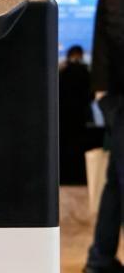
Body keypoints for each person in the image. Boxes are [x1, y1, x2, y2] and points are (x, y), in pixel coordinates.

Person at [86, 0, 124, 273]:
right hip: (121, 92)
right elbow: (118, 27)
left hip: (116, 90)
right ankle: (99, 259)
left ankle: (100, 258)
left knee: (116, 180)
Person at [59, 44, 92, 185]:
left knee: (64, 146)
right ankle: (79, 177)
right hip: (79, 116)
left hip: (64, 116)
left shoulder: (62, 71)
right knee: (79, 147)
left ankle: (64, 177)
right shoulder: (85, 71)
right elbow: (90, 95)